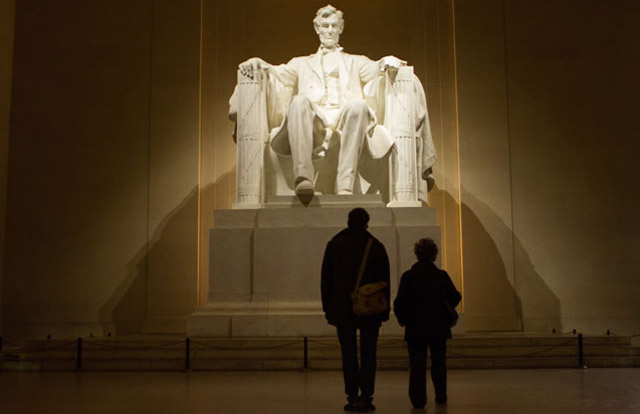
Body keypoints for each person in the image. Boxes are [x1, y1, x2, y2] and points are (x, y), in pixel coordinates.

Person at [238, 5, 409, 196]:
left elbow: (375, 68)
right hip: (315, 119)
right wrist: (257, 63)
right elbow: (276, 72)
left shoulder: (355, 61)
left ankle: (345, 184)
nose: (329, 30)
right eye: (325, 26)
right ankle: (303, 178)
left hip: (345, 117)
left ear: (340, 29)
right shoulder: (301, 63)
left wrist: (387, 60)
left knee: (359, 105)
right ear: (317, 29)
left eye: (334, 26)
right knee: (298, 102)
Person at [321, 208, 391, 412]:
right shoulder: (375, 246)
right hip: (370, 310)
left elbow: (326, 281)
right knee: (369, 354)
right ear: (366, 222)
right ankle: (366, 396)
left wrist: (328, 309)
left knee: (348, 354)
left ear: (348, 221)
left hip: (342, 309)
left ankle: (352, 396)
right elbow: (384, 282)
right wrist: (384, 311)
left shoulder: (335, 244)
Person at [393, 238, 461, 409]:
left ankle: (418, 400)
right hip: (438, 326)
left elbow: (399, 303)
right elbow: (455, 297)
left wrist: (404, 319)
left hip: (415, 327)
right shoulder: (441, 276)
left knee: (417, 365)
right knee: (439, 364)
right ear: (434, 255)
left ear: (417, 254)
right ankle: (441, 396)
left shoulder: (409, 277)